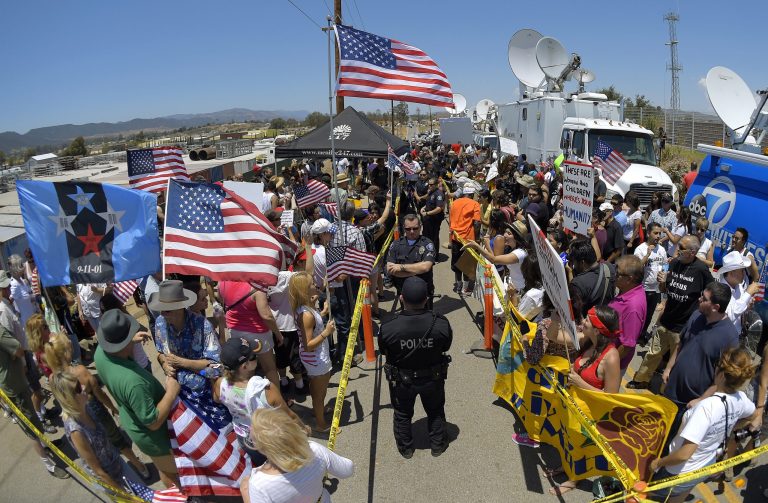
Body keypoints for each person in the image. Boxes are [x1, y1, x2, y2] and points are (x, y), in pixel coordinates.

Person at [648, 347, 756, 503]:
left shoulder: (706, 408)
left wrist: (658, 462)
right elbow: (753, 415)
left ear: (720, 374)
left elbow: (684, 454)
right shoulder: (741, 399)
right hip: (705, 464)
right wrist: (732, 428)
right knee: (678, 498)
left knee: (651, 497)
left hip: (678, 471)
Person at [94, 309, 181, 487]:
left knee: (164, 470)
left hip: (132, 421)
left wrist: (127, 342)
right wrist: (171, 391)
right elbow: (153, 421)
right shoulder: (133, 382)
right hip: (154, 437)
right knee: (175, 476)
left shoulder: (99, 354)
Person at [45, 331, 149, 479]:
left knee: (97, 449)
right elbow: (99, 393)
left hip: (76, 417)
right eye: (69, 344)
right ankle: (139, 466)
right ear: (66, 351)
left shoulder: (52, 378)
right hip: (94, 410)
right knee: (116, 438)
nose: (72, 345)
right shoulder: (79, 370)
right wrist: (113, 408)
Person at [545, 305, 621, 495]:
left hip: (588, 414)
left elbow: (611, 398)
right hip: (571, 405)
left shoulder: (611, 357)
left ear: (597, 329)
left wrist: (580, 383)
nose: (582, 322)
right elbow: (554, 336)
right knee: (566, 440)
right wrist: (555, 318)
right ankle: (567, 466)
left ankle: (573, 480)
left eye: (587, 320)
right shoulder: (586, 340)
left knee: (578, 447)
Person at [378, 277, 453, 458]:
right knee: (435, 411)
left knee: (403, 414)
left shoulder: (388, 326)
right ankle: (437, 445)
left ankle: (406, 448)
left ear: (402, 298)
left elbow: (384, 350)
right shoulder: (441, 323)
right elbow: (446, 346)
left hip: (402, 381)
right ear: (426, 299)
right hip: (432, 379)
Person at [628, 235, 713, 390]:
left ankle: (666, 389)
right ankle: (641, 380)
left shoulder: (701, 270)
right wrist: (663, 282)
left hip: (683, 326)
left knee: (675, 362)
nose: (677, 250)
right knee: (652, 353)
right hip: (666, 320)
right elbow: (663, 289)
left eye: (681, 248)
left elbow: (711, 292)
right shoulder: (673, 263)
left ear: (692, 252)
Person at [662, 282, 740, 435]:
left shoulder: (729, 338)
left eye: (704, 298)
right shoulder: (697, 314)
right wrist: (668, 368)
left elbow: (722, 380)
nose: (699, 299)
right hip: (671, 391)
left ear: (715, 307)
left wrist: (701, 400)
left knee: (671, 443)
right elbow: (681, 344)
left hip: (690, 404)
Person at [213, 337, 306, 466]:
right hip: (270, 438)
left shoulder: (219, 384)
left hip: (245, 438)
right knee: (285, 465)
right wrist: (303, 428)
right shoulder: (265, 389)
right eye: (253, 356)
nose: (257, 357)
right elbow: (289, 416)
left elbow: (217, 399)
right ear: (245, 366)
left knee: (264, 466)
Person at [50, 370, 145, 491]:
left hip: (115, 461)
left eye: (80, 383)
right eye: (78, 388)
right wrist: (123, 494)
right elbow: (98, 471)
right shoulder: (76, 432)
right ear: (68, 398)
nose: (83, 387)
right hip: (107, 479)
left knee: (143, 491)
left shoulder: (87, 405)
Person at [242, 407, 354, 503]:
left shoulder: (258, 485)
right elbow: (348, 470)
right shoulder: (315, 450)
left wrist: (246, 495)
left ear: (262, 448)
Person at [0, 270, 53, 432]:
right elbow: (12, 344)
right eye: (4, 287)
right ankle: (40, 420)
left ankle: (43, 412)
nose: (8, 289)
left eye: (8, 286)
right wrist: (23, 362)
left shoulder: (7, 304)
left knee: (37, 389)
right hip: (21, 358)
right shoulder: (2, 311)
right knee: (35, 391)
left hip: (26, 353)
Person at [289, 272, 335, 434]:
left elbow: (312, 326)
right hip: (315, 359)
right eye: (311, 284)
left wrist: (321, 312)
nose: (315, 285)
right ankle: (321, 424)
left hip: (318, 356)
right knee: (318, 392)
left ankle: (320, 409)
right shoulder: (306, 314)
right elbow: (308, 345)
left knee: (321, 389)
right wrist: (327, 332)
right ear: (304, 291)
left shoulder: (307, 309)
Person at [218, 277, 283, 388]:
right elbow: (266, 316)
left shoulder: (223, 281)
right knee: (269, 368)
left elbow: (223, 302)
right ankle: (275, 399)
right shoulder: (257, 284)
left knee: (244, 368)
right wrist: (278, 334)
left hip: (234, 330)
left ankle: (247, 397)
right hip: (258, 333)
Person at [463, 220, 530, 292]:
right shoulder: (513, 249)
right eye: (505, 232)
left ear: (516, 238)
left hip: (518, 290)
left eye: (509, 233)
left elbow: (494, 260)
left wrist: (477, 246)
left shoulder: (519, 253)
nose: (505, 235)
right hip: (511, 286)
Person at [386, 214, 437, 305]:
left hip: (423, 291)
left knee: (426, 317)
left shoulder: (427, 244)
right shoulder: (396, 244)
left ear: (420, 227)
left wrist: (400, 267)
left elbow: (425, 267)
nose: (412, 231)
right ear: (403, 228)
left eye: (415, 228)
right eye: (408, 229)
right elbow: (390, 269)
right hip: (403, 291)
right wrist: (416, 271)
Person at [607, 256, 647, 372]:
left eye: (618, 273)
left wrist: (605, 365)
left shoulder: (633, 307)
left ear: (629, 279)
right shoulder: (627, 291)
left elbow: (627, 345)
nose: (615, 275)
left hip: (612, 367)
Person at [634, 222, 668, 343]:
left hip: (655, 289)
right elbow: (636, 268)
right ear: (648, 233)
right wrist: (647, 255)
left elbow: (665, 264)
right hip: (642, 288)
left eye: (660, 233)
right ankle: (634, 333)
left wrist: (664, 273)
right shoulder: (640, 249)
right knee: (639, 314)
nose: (658, 236)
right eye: (655, 233)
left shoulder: (662, 250)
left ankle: (642, 334)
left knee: (648, 315)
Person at [569, 239, 616, 317]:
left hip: (588, 322)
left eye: (573, 261)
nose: (573, 264)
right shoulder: (609, 267)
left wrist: (569, 272)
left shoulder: (578, 283)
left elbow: (573, 311)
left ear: (582, 262)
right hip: (605, 316)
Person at [449, 185, 481, 295]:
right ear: (472, 194)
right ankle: (466, 288)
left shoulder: (454, 203)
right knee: (467, 264)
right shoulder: (475, 204)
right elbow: (477, 223)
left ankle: (458, 285)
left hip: (455, 238)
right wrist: (477, 240)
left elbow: (451, 219)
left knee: (457, 262)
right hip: (468, 239)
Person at [420, 177, 445, 249]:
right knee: (426, 235)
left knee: (433, 237)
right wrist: (424, 208)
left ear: (436, 185)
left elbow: (439, 209)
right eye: (429, 184)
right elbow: (429, 203)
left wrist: (427, 213)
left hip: (434, 219)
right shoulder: (431, 192)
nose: (429, 186)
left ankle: (434, 254)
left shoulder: (439, 194)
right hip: (428, 219)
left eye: (431, 184)